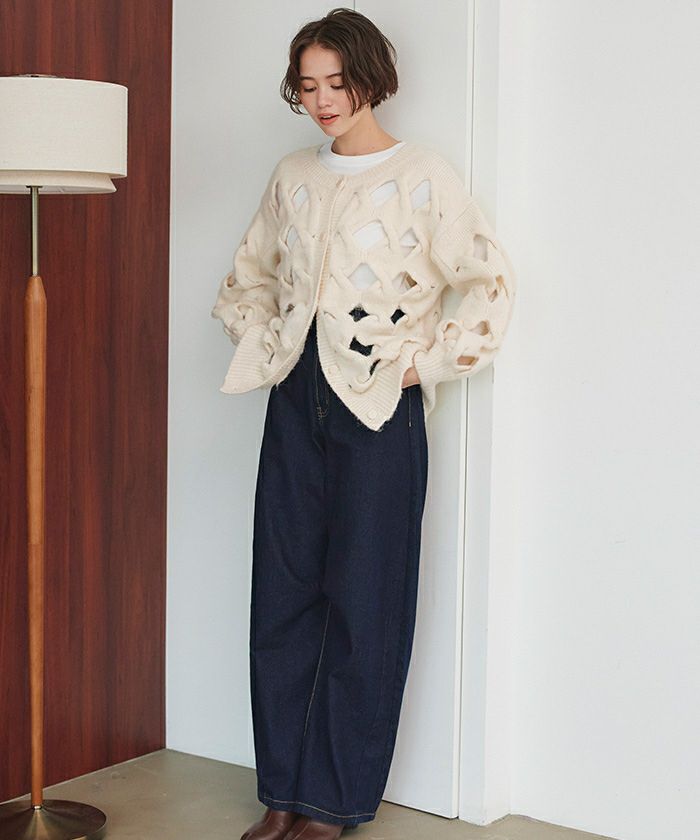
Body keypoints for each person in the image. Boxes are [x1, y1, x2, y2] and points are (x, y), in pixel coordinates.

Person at [210, 9, 517, 840]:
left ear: (370, 78)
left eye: (337, 83)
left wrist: (423, 363)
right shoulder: (291, 176)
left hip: (378, 407)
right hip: (295, 400)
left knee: (365, 604)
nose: (322, 100)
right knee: (281, 599)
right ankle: (282, 791)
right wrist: (270, 342)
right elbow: (247, 281)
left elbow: (489, 282)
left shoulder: (423, 176)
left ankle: (333, 803)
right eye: (308, 85)